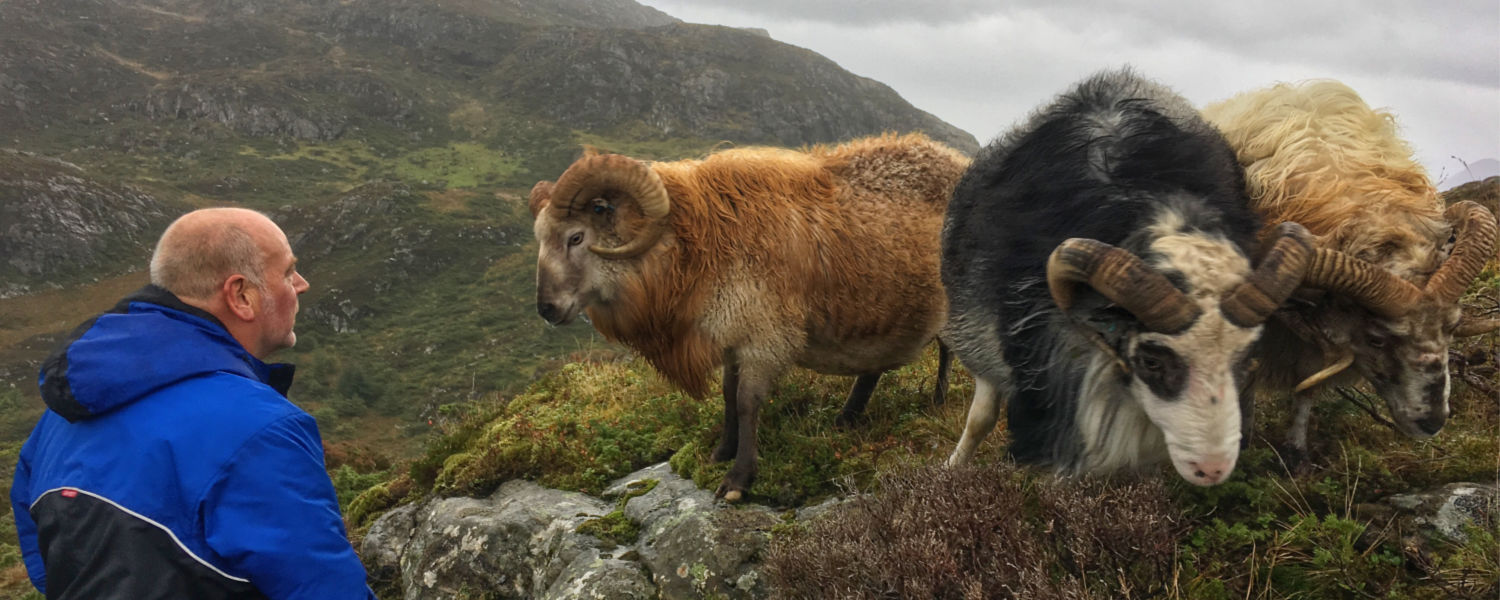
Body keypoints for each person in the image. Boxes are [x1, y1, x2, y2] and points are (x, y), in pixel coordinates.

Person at [10, 207, 377, 599]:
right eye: (287, 272)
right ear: (241, 295)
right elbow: (323, 588)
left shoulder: (58, 419)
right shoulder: (261, 430)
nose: (301, 284)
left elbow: (45, 561)